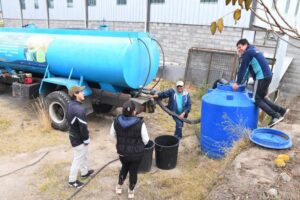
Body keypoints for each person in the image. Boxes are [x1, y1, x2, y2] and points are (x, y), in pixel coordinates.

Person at [233, 39, 289, 127]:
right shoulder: (253, 50)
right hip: (267, 76)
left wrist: (237, 83)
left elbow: (243, 69)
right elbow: (248, 70)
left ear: (245, 45)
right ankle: (282, 111)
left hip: (261, 77)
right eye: (237, 48)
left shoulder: (248, 53)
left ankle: (276, 116)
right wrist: (241, 82)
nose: (239, 49)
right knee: (262, 98)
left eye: (240, 47)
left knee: (256, 99)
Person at [110, 100, 150, 199]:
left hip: (123, 153)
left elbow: (112, 134)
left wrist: (121, 142)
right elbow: (146, 140)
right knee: (133, 171)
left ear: (123, 111)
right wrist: (140, 146)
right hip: (136, 154)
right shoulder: (140, 123)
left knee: (124, 167)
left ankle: (119, 186)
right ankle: (131, 191)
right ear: (133, 111)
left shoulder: (116, 121)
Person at [66, 86, 94, 189]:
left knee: (83, 155)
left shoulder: (70, 105)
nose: (83, 93)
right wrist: (86, 139)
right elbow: (83, 127)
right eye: (81, 92)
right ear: (75, 94)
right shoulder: (79, 110)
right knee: (77, 159)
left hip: (74, 135)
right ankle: (72, 181)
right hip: (78, 139)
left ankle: (84, 173)